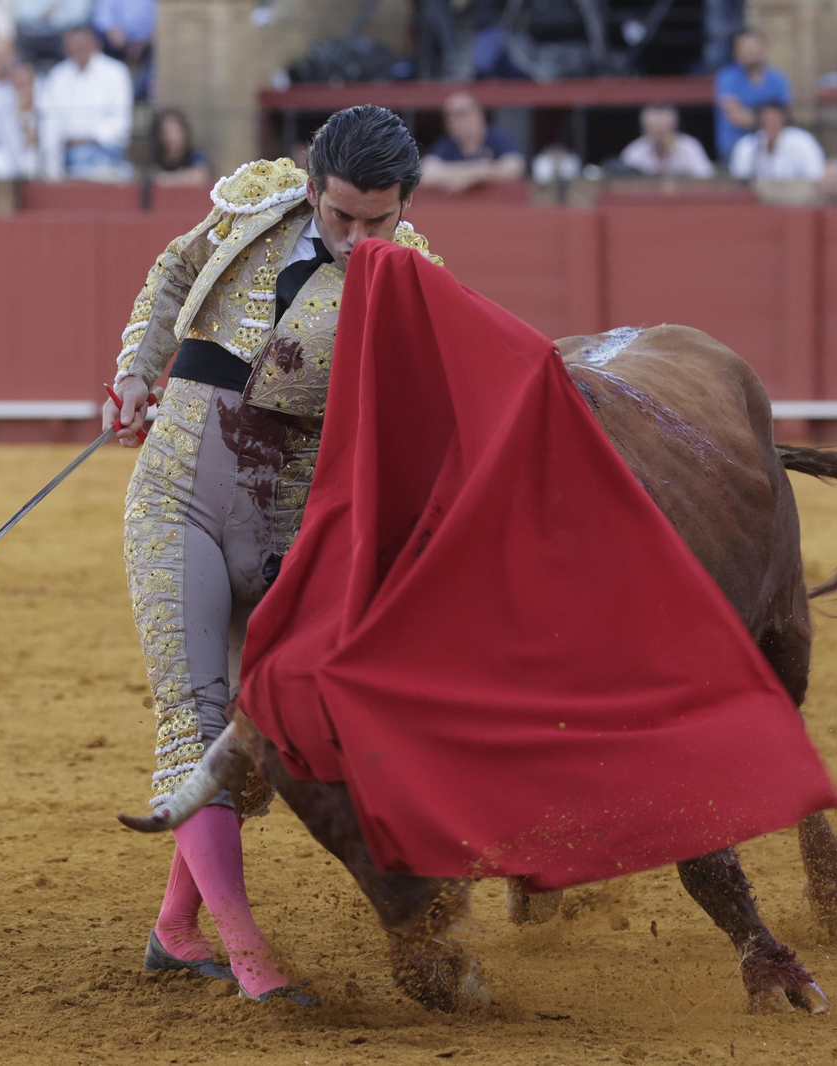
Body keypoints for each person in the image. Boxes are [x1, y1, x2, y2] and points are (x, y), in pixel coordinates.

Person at [103, 105, 441, 1007]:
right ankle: (250, 957)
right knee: (193, 715)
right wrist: (137, 370)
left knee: (253, 737)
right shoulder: (254, 206)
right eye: (342, 218)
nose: (362, 238)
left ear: (407, 203)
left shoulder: (420, 283)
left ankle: (177, 931)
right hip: (179, 492)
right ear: (309, 185)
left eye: (382, 220)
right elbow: (174, 271)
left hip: (294, 532)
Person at [38, 24, 132, 180]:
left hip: (105, 149)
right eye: (72, 46)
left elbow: (120, 123)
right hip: (63, 152)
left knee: (88, 161)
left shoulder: (116, 73)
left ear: (94, 43)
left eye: (81, 45)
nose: (77, 50)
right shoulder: (57, 76)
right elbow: (49, 120)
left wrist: (86, 139)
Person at [419, 92, 525, 192]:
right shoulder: (446, 144)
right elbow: (425, 173)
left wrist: (459, 175)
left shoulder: (498, 138)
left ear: (478, 115)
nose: (457, 121)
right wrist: (476, 172)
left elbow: (514, 168)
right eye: (450, 117)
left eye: (463, 114)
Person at [714, 30, 791, 158]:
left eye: (754, 48)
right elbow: (735, 115)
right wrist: (768, 122)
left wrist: (761, 123)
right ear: (736, 53)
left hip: (774, 145)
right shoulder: (727, 78)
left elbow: (784, 115)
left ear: (764, 48)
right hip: (734, 146)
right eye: (745, 48)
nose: (751, 53)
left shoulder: (778, 79)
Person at [728, 101, 826, 181]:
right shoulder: (746, 145)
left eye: (775, 119)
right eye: (767, 120)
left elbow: (816, 176)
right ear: (759, 121)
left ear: (784, 119)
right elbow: (740, 180)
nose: (771, 124)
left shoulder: (803, 141)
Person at [620, 104, 715, 177]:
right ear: (644, 131)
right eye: (653, 130)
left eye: (664, 130)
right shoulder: (634, 152)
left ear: (674, 129)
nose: (659, 137)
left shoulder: (689, 147)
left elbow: (705, 178)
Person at [150, 107, 208, 185]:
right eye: (166, 132)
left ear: (184, 133)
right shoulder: (155, 156)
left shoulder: (194, 155)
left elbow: (201, 175)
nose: (170, 137)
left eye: (174, 132)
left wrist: (169, 179)